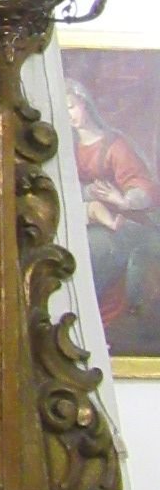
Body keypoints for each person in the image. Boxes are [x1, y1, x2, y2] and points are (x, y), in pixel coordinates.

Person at [67, 78, 160, 343]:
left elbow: (145, 188)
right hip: (84, 216)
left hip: (126, 221)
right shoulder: (65, 147)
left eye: (72, 106)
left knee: (95, 248)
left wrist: (123, 200)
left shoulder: (113, 145)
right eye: (64, 110)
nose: (70, 115)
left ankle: (90, 323)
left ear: (85, 104)